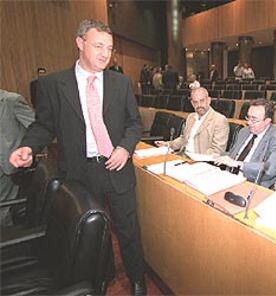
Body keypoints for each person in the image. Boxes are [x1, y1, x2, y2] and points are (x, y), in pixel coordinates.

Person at [9, 19, 147, 295]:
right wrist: (28, 147)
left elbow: (134, 124)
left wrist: (124, 147)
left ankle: (137, 278)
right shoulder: (52, 85)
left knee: (128, 228)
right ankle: (103, 276)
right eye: (98, 46)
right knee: (95, 232)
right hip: (80, 171)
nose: (105, 53)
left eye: (109, 47)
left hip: (117, 165)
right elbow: (44, 125)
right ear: (79, 43)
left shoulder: (120, 83)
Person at [215, 99, 276, 188]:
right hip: (230, 178)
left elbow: (270, 169)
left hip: (254, 185)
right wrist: (219, 155)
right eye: (248, 117)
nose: (249, 122)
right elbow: (233, 155)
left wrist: (239, 164)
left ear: (267, 121)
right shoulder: (244, 131)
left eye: (254, 119)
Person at [155, 87, 229, 156]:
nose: (199, 105)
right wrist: (168, 145)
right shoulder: (191, 117)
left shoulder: (219, 120)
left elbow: (217, 151)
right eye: (195, 102)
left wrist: (194, 157)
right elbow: (184, 139)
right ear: (192, 104)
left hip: (200, 162)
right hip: (183, 156)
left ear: (208, 100)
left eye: (202, 101)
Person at [0, 90, 35, 225]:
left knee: (2, 210)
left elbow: (37, 128)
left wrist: (27, 150)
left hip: (7, 165)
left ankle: (6, 240)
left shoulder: (11, 100)